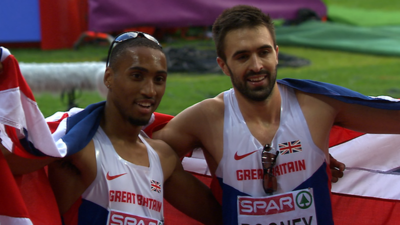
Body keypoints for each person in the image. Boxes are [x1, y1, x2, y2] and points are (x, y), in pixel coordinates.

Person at [152, 5, 400, 225]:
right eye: (242, 56)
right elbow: (147, 155)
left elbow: (392, 117)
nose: (257, 65)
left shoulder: (317, 105)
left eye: (264, 52)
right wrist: (216, 214)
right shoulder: (207, 118)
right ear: (223, 65)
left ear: (277, 53)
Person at [0, 33, 222, 225]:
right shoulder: (78, 148)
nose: (149, 90)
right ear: (109, 78)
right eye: (137, 76)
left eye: (159, 79)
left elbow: (223, 217)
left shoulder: (163, 158)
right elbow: (11, 161)